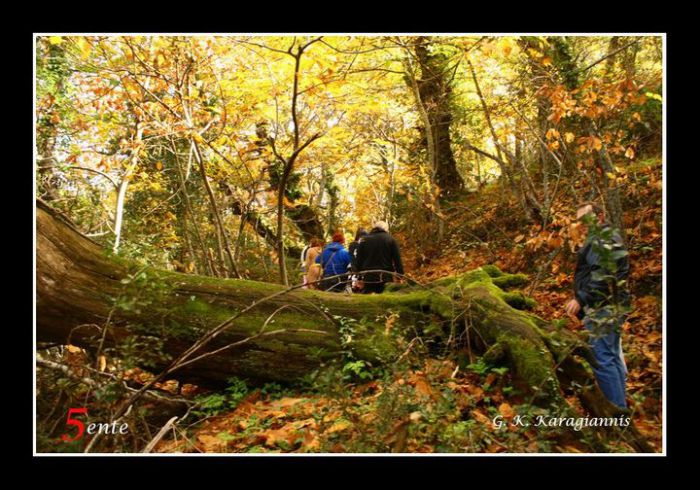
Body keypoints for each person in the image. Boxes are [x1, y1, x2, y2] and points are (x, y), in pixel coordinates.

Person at [564, 202, 631, 409]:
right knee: (610, 357)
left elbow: (603, 275)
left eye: (586, 220)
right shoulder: (608, 235)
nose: (582, 225)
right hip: (613, 305)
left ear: (600, 217)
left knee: (602, 359)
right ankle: (621, 411)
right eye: (579, 222)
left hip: (603, 307)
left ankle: (617, 416)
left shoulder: (600, 239)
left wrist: (580, 299)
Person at [355, 220, 404, 294]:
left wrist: (359, 277)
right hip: (385, 276)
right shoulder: (391, 239)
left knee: (369, 301)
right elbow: (397, 260)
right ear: (386, 229)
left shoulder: (364, 239)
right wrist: (400, 276)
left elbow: (358, 260)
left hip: (368, 277)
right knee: (385, 300)